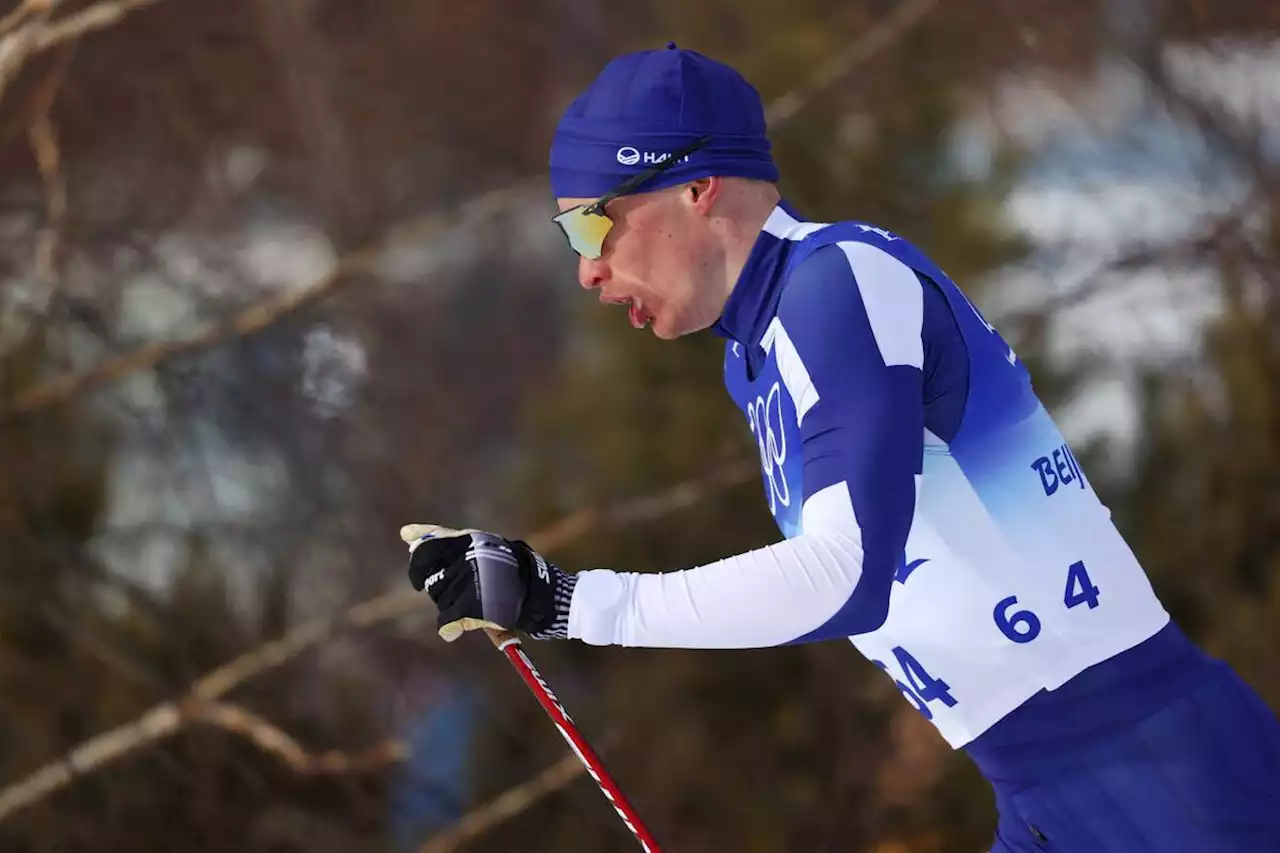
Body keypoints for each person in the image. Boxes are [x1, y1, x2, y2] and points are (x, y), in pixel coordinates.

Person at [400, 43, 1280, 852]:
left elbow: (845, 577)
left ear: (695, 187)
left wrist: (570, 604)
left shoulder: (836, 284)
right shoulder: (757, 357)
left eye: (593, 227)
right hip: (1048, 792)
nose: (587, 269)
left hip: (1162, 783)